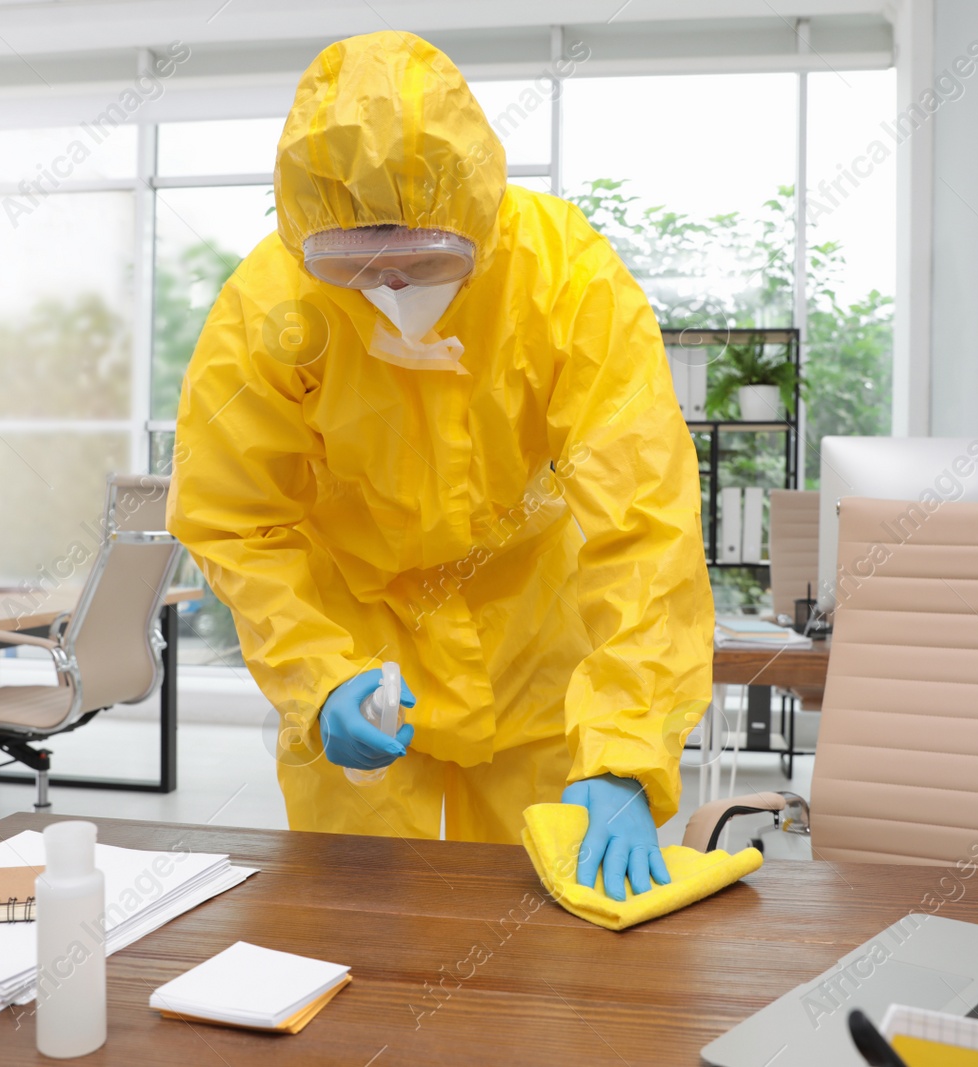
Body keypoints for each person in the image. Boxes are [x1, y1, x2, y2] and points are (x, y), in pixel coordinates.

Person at [167, 30, 713, 901]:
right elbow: (234, 517)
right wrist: (318, 674)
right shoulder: (267, 308)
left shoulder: (563, 276)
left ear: (478, 219)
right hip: (363, 649)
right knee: (360, 931)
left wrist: (625, 744)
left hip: (538, 645)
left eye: (423, 260)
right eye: (357, 267)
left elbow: (644, 518)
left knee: (549, 933)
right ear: (307, 238)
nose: (390, 288)